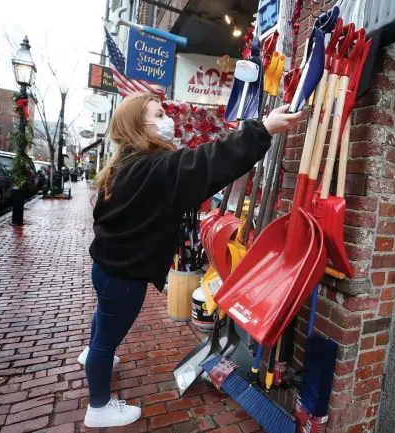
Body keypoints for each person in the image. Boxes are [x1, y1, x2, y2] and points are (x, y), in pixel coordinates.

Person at [78, 93, 301, 428]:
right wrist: (262, 129)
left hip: (107, 269)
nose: (167, 117)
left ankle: (93, 356)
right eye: (158, 113)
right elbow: (210, 161)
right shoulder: (153, 167)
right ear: (140, 124)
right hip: (124, 276)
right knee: (107, 338)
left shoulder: (125, 165)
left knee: (102, 326)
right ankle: (98, 407)